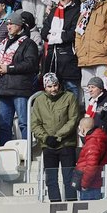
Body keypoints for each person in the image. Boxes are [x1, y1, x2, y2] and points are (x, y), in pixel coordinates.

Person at [33, 73, 81, 202]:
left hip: (66, 144)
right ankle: (55, 203)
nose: (53, 89)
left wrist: (58, 136)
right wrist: (46, 138)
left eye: (55, 85)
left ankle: (72, 203)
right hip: (48, 145)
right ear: (44, 87)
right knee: (51, 179)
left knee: (69, 178)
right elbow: (35, 124)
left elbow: (73, 119)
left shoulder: (69, 97)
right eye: (49, 86)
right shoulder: (39, 101)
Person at [0, 11, 40, 144]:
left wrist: (8, 68)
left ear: (20, 25)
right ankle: (5, 152)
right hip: (3, 89)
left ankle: (27, 153)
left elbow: (31, 64)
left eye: (12, 24)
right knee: (3, 125)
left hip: (20, 89)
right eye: (8, 24)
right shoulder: (3, 43)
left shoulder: (29, 43)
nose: (9, 27)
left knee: (24, 123)